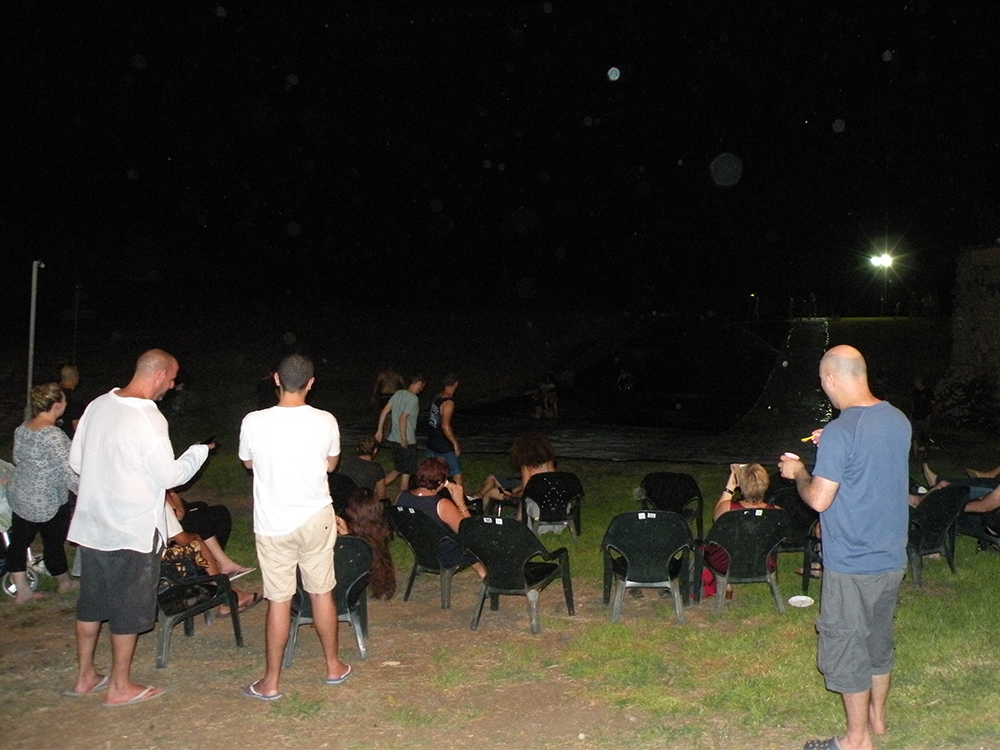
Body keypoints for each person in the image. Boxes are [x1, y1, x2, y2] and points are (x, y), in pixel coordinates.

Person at [779, 345, 910, 750]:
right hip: (891, 556)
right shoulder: (897, 419)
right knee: (878, 642)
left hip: (852, 561)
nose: (825, 389)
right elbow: (867, 464)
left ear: (832, 378)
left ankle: (856, 740)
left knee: (848, 648)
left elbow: (819, 499)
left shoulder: (841, 430)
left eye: (823, 382)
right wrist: (832, 448)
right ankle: (878, 720)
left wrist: (799, 471)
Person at [66, 349, 211, 706]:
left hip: (92, 526)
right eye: (172, 379)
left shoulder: (98, 404)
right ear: (159, 375)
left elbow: (77, 462)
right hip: (131, 530)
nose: (172, 386)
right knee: (128, 610)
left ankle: (85, 677)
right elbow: (169, 476)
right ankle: (119, 686)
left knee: (91, 604)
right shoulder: (148, 417)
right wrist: (198, 452)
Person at [238, 353, 350, 701]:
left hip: (274, 523)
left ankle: (271, 682)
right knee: (321, 591)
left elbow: (248, 463)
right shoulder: (326, 420)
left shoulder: (254, 421)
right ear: (311, 384)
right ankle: (333, 666)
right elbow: (331, 465)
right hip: (316, 517)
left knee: (279, 599)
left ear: (276, 379)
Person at [6, 383, 79, 603]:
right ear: (57, 406)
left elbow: (17, 458)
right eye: (64, 400)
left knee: (19, 541)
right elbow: (69, 471)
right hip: (47, 500)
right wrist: (85, 494)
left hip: (21, 493)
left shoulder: (23, 427)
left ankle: (22, 591)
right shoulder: (54, 435)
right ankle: (65, 583)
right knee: (53, 543)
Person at [163, 495, 261, 615]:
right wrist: (196, 537)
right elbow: (182, 538)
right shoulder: (157, 503)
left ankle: (219, 578)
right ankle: (225, 597)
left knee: (206, 513)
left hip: (144, 567)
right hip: (163, 569)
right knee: (198, 544)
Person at [396, 458, 484, 579]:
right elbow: (469, 532)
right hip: (445, 556)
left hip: (421, 551)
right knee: (479, 541)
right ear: (440, 483)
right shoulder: (442, 505)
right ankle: (486, 572)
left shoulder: (402, 496)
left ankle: (480, 569)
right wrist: (460, 502)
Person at [702, 463, 777, 599]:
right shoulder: (776, 512)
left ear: (741, 486)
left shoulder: (727, 509)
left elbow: (716, 518)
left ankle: (727, 585)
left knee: (709, 546)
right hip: (762, 563)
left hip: (727, 564)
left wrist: (730, 487)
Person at [165, 489, 253, 578]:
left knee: (216, 510)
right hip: (173, 531)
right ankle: (221, 565)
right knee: (198, 518)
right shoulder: (160, 493)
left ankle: (216, 560)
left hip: (175, 523)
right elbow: (179, 514)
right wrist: (172, 492)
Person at [477, 432, 557, 519]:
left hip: (531, 501)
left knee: (492, 492)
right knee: (495, 486)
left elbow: (525, 492)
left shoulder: (527, 467)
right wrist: (513, 491)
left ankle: (477, 516)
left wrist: (511, 495)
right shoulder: (549, 464)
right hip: (546, 498)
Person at [336, 487, 396, 599]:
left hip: (353, 574)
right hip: (369, 571)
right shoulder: (379, 527)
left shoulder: (354, 531)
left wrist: (346, 536)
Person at [374, 374, 425, 492]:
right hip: (406, 441)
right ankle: (402, 499)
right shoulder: (413, 399)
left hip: (394, 439)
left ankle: (376, 489)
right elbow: (403, 418)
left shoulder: (398, 393)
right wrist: (404, 438)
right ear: (418, 383)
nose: (421, 389)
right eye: (422, 386)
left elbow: (384, 411)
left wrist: (379, 430)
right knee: (406, 474)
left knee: (398, 469)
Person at [425, 373, 463, 486]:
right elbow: (445, 425)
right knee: (456, 472)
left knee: (434, 471)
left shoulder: (437, 397)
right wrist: (455, 443)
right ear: (456, 384)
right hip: (443, 444)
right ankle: (459, 495)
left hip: (431, 440)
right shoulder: (448, 403)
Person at [336, 435, 387, 500]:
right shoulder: (376, 468)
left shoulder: (347, 462)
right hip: (361, 502)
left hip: (344, 499)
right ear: (375, 451)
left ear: (358, 449)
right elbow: (381, 493)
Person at [57, 365, 84, 438]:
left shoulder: (54, 395)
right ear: (74, 378)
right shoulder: (74, 398)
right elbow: (76, 424)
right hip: (68, 438)